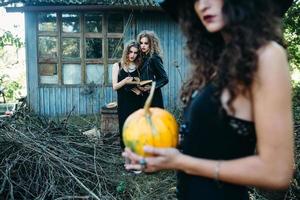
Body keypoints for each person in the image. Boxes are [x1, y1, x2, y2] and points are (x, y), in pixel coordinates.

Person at [123, 0, 295, 199]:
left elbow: (276, 172)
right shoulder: (215, 61)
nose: (202, 4)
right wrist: (158, 148)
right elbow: (216, 141)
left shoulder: (266, 56)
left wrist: (180, 162)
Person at [112, 40, 143, 150]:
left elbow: (140, 82)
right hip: (124, 102)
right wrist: (125, 81)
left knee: (136, 126)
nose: (133, 55)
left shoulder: (138, 66)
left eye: (135, 53)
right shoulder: (117, 66)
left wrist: (140, 88)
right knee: (125, 125)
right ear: (126, 52)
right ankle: (125, 150)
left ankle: (136, 149)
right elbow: (114, 86)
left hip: (137, 101)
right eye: (130, 52)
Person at [137, 30, 169, 108]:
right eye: (141, 43)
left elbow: (164, 78)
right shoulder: (141, 58)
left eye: (146, 43)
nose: (143, 46)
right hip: (142, 94)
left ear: (151, 44)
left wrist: (151, 87)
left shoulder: (154, 58)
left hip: (153, 96)